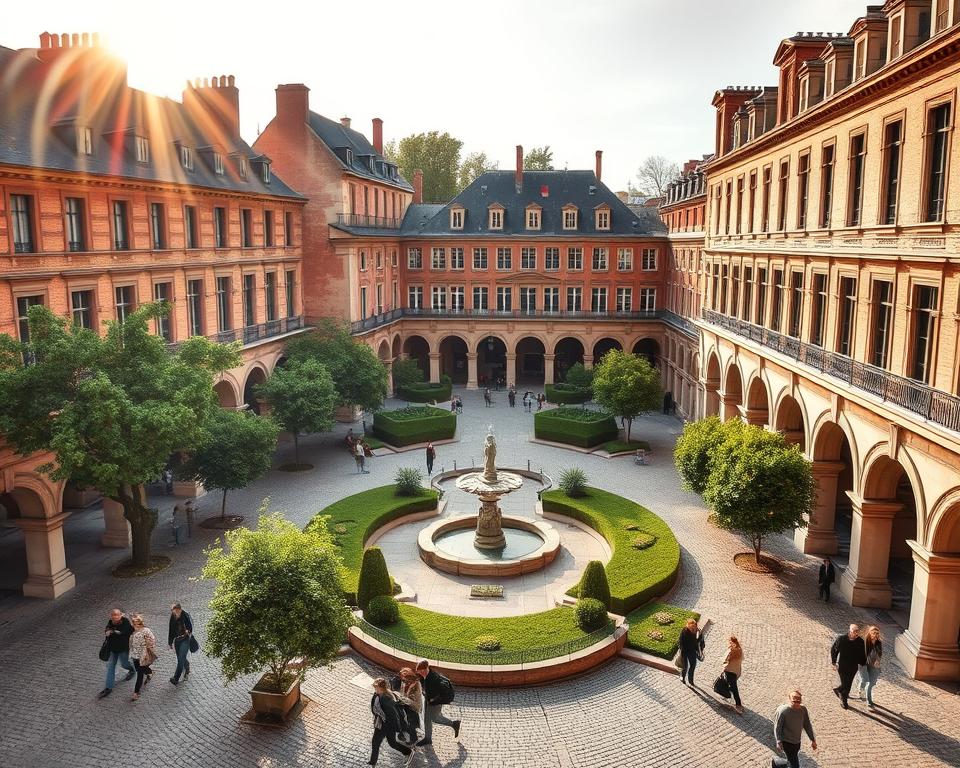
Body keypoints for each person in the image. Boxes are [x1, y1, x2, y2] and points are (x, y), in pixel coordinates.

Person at [368, 677, 414, 766]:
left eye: (376, 688)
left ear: (381, 688)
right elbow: (374, 707)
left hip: (387, 725)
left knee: (387, 743)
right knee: (381, 743)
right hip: (382, 722)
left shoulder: (386, 699)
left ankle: (408, 751)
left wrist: (397, 728)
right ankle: (372, 762)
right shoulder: (378, 695)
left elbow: (394, 715)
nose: (375, 689)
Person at [415, 659, 460, 746]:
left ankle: (454, 724)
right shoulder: (423, 676)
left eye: (422, 671)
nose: (421, 673)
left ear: (427, 668)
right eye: (419, 671)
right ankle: (428, 738)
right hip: (429, 700)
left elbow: (443, 692)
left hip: (435, 703)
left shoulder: (433, 678)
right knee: (427, 719)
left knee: (435, 718)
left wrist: (434, 700)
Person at [772, 690, 817, 768]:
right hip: (786, 741)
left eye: (799, 701)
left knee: (791, 761)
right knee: (794, 764)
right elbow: (777, 727)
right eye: (794, 701)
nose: (797, 703)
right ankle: (779, 762)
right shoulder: (783, 711)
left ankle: (777, 762)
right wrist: (778, 741)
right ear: (790, 700)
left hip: (797, 742)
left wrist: (812, 740)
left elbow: (807, 724)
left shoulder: (803, 710)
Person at [98, 608, 136, 698]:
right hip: (113, 649)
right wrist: (108, 631)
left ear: (120, 615)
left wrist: (112, 632)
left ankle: (132, 670)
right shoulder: (110, 622)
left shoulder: (126, 622)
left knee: (124, 664)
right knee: (111, 667)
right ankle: (108, 687)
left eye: (117, 615)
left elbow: (123, 632)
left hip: (123, 649)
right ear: (111, 616)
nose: (115, 617)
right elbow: (107, 630)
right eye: (113, 615)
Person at [830, 623, 866, 709]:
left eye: (857, 631)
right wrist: (834, 661)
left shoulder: (860, 641)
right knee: (846, 683)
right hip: (842, 665)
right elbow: (834, 649)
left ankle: (838, 690)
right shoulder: (841, 639)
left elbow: (862, 654)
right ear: (850, 631)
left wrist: (863, 663)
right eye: (854, 631)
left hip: (853, 666)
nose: (856, 633)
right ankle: (844, 700)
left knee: (848, 683)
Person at [128, 614, 158, 701]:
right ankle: (150, 672)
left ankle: (136, 692)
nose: (135, 625)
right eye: (134, 624)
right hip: (135, 655)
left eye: (137, 623)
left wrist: (147, 644)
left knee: (140, 674)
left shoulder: (146, 631)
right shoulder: (132, 631)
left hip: (143, 656)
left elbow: (152, 640)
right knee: (140, 670)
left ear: (141, 623)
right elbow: (130, 642)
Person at [168, 602, 194, 686]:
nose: (172, 612)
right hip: (177, 640)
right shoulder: (173, 616)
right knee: (181, 658)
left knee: (180, 659)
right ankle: (187, 667)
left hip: (185, 639)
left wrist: (188, 631)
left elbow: (190, 626)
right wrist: (170, 642)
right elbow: (171, 629)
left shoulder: (185, 615)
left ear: (179, 609)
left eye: (174, 610)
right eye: (172, 610)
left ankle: (176, 678)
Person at [857, 625, 883, 707]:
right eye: (873, 632)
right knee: (865, 679)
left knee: (870, 682)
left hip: (873, 664)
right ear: (869, 632)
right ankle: (861, 690)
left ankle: (868, 699)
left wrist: (878, 661)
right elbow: (862, 654)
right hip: (863, 663)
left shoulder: (879, 642)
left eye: (877, 633)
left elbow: (880, 653)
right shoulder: (865, 641)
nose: (875, 634)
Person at [398, 667, 424, 744]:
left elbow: (416, 702)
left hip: (413, 707)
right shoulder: (404, 682)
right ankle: (404, 730)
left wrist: (403, 698)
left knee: (411, 723)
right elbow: (402, 692)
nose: (403, 680)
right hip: (406, 704)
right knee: (402, 717)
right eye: (402, 678)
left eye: (405, 678)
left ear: (409, 677)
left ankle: (413, 739)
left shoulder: (416, 685)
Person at [678, 618, 704, 687]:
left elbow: (697, 642)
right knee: (685, 666)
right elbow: (681, 643)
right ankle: (683, 677)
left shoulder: (696, 631)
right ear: (688, 625)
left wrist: (700, 635)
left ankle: (691, 680)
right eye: (691, 627)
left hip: (692, 651)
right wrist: (699, 637)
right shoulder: (684, 631)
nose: (693, 628)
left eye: (694, 626)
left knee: (693, 665)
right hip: (685, 651)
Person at [722, 635, 744, 713]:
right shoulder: (740, 650)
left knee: (734, 688)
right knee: (732, 685)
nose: (730, 644)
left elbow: (726, 659)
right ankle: (727, 695)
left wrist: (730, 651)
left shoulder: (732, 651)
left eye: (731, 642)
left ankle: (738, 704)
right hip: (736, 671)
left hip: (730, 670)